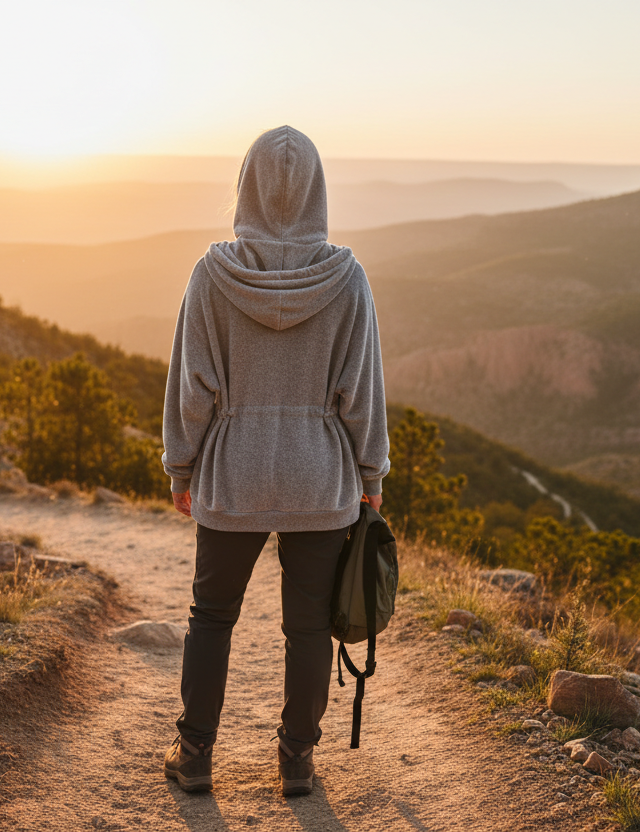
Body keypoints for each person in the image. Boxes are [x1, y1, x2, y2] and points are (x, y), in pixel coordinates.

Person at [160, 125, 390, 797]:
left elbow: (191, 385)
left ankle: (196, 751)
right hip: (320, 480)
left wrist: (182, 468)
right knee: (309, 625)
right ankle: (297, 758)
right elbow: (361, 391)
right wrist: (371, 478)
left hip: (231, 474)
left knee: (212, 615)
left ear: (245, 188)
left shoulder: (212, 274)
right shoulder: (347, 279)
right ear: (319, 189)